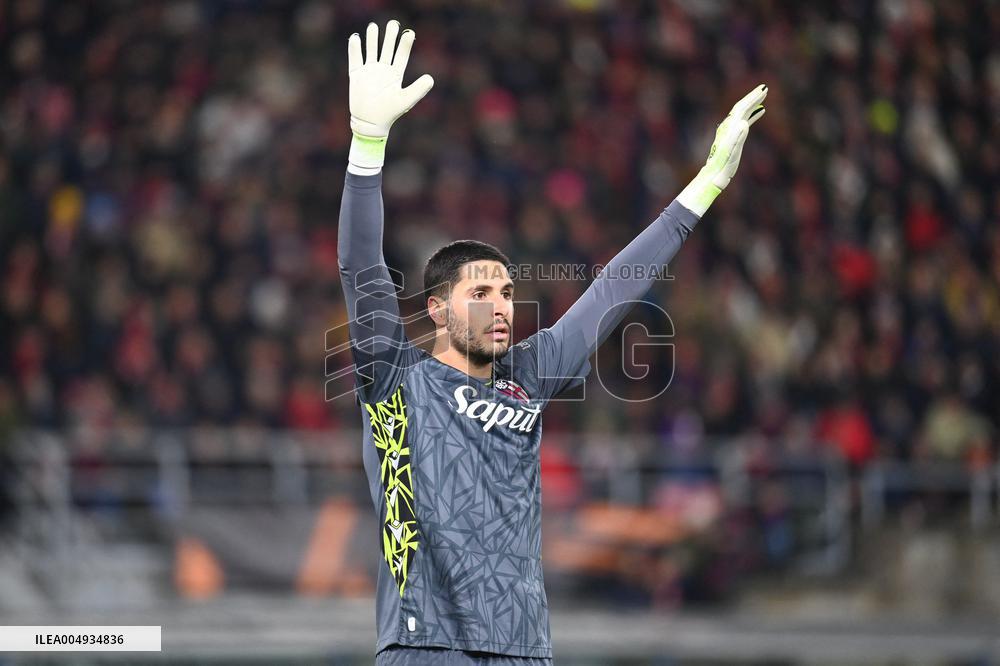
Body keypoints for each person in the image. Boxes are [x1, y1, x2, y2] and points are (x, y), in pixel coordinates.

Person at [338, 20, 766, 665]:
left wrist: (705, 184)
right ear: (434, 309)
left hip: (525, 651)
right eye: (479, 294)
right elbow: (360, 267)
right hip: (426, 645)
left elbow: (612, 291)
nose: (500, 306)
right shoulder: (393, 376)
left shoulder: (528, 377)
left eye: (507, 293)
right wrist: (367, 145)